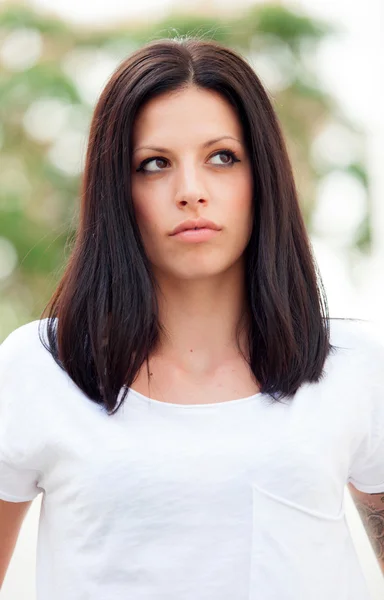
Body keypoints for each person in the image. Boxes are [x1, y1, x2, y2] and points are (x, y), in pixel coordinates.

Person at [0, 36, 383, 600]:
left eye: (222, 157)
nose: (191, 191)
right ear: (116, 191)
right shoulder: (39, 369)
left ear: (263, 177)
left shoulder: (353, 367)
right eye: (154, 165)